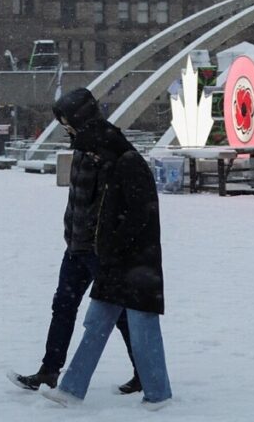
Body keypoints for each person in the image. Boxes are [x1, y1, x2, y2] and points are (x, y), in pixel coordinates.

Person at [41, 92, 172, 410]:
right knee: (97, 323)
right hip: (113, 260)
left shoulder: (127, 165)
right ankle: (70, 389)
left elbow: (139, 216)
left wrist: (110, 246)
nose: (91, 158)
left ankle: (157, 392)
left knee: (141, 326)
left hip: (134, 264)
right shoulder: (112, 162)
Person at [8, 88, 140, 394]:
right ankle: (49, 371)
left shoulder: (108, 145)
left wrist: (108, 239)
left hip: (100, 250)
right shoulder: (82, 144)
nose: (65, 127)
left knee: (117, 314)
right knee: (63, 307)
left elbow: (123, 195)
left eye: (67, 120)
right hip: (77, 247)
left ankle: (144, 370)